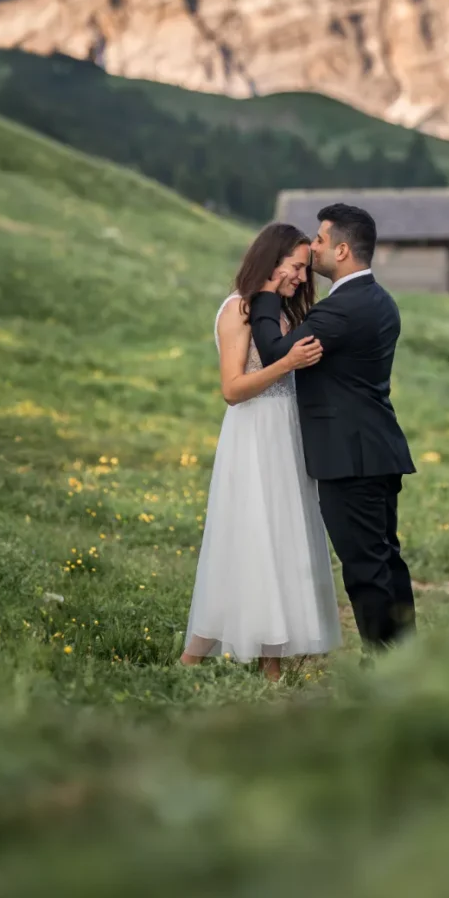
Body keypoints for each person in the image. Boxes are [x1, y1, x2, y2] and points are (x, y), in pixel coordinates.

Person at [246, 202, 418, 649]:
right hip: (377, 451)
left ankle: (385, 671)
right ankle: (403, 663)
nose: (314, 248)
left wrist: (265, 293)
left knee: (366, 570)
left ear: (342, 250)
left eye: (320, 240)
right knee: (386, 563)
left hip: (350, 458)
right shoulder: (379, 299)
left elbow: (274, 353)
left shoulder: (343, 309)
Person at [180, 222, 343, 680]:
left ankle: (271, 664)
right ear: (270, 262)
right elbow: (233, 389)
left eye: (304, 270)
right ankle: (192, 657)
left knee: (282, 542)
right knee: (248, 540)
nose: (299, 277)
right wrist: (289, 362)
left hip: (286, 438)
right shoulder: (237, 309)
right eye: (294, 267)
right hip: (252, 436)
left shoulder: (283, 313)